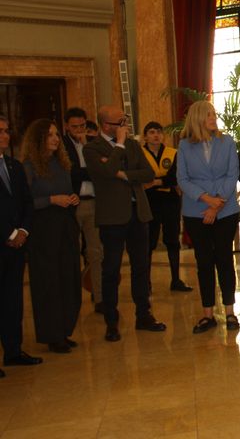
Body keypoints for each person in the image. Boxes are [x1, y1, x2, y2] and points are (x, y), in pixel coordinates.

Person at [84, 105, 166, 342]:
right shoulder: (92, 148)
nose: (125, 125)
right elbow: (106, 171)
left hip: (137, 213)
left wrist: (124, 175)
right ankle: (111, 321)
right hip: (112, 217)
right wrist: (118, 146)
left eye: (124, 120)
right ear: (106, 125)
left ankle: (144, 315)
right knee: (111, 269)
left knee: (141, 266)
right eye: (120, 122)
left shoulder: (132, 145)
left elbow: (148, 173)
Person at [176, 101, 240, 334]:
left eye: (214, 114)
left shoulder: (227, 141)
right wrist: (206, 199)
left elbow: (233, 174)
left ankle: (230, 311)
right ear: (197, 119)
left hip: (225, 209)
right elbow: (182, 179)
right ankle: (207, 314)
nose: (213, 118)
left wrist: (217, 203)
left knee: (224, 259)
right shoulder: (184, 145)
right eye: (208, 115)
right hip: (196, 210)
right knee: (204, 262)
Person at [20, 119, 82, 354]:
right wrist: (51, 200)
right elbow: (25, 203)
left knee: (68, 278)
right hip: (43, 230)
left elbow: (67, 191)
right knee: (48, 283)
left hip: (65, 226)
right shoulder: (28, 167)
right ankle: (52, 334)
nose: (56, 139)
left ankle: (64, 330)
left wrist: (73, 198)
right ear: (38, 139)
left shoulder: (61, 164)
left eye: (56, 134)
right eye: (50, 135)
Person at [0, 115, 42, 373]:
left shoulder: (14, 166)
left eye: (6, 131)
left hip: (17, 245)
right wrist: (9, 233)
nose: (5, 136)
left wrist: (23, 230)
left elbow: (27, 201)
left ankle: (13, 350)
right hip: (3, 240)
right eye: (0, 131)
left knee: (13, 299)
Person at [141, 122, 191, 293]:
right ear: (145, 136)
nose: (156, 135)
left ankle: (176, 280)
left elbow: (176, 178)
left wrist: (155, 182)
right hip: (149, 202)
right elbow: (141, 176)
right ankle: (146, 283)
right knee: (149, 242)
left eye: (159, 132)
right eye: (152, 132)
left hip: (170, 201)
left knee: (172, 240)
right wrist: (164, 180)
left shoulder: (173, 153)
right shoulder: (139, 154)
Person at [61, 107, 103, 312]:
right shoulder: (61, 145)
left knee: (96, 252)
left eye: (82, 126)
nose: (79, 130)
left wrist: (87, 145)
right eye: (75, 126)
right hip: (73, 203)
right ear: (66, 126)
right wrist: (90, 171)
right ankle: (71, 299)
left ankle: (100, 297)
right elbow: (71, 173)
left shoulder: (93, 143)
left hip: (93, 202)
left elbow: (101, 170)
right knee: (72, 251)